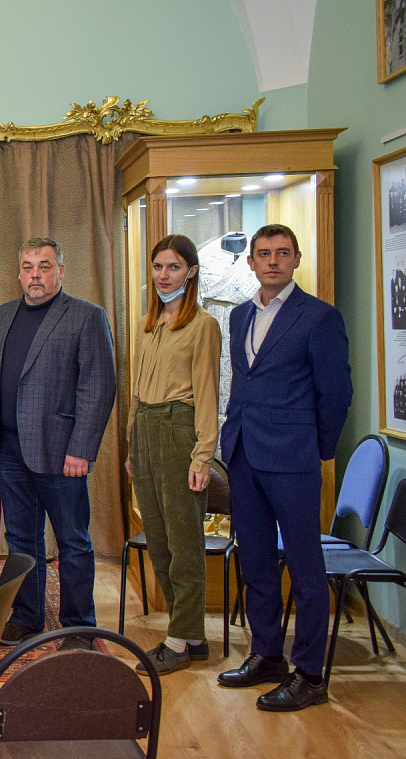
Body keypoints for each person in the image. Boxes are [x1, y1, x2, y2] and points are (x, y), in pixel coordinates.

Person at [216, 224, 352, 712]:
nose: (272, 261)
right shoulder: (240, 316)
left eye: (282, 253)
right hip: (244, 455)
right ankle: (267, 655)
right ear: (251, 261)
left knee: (305, 566)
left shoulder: (319, 317)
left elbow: (336, 393)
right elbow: (244, 382)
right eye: (263, 253)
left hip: (293, 458)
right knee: (255, 561)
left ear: (295, 259)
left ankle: (309, 674)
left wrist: (317, 448)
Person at [0, 236, 115, 651]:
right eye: (28, 267)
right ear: (19, 273)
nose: (35, 275)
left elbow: (98, 387)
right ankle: (27, 617)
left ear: (61, 271)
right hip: (8, 450)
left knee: (73, 541)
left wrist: (82, 449)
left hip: (61, 451)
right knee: (21, 540)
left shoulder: (87, 316)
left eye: (45, 266)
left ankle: (78, 626)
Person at [124, 235, 221, 674]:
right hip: (146, 430)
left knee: (184, 543)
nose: (164, 275)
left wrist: (203, 457)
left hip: (179, 429)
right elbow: (137, 392)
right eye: (159, 267)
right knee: (159, 541)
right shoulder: (149, 324)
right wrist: (132, 445)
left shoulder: (203, 326)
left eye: (174, 267)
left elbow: (208, 395)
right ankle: (193, 636)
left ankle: (179, 641)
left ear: (191, 272)